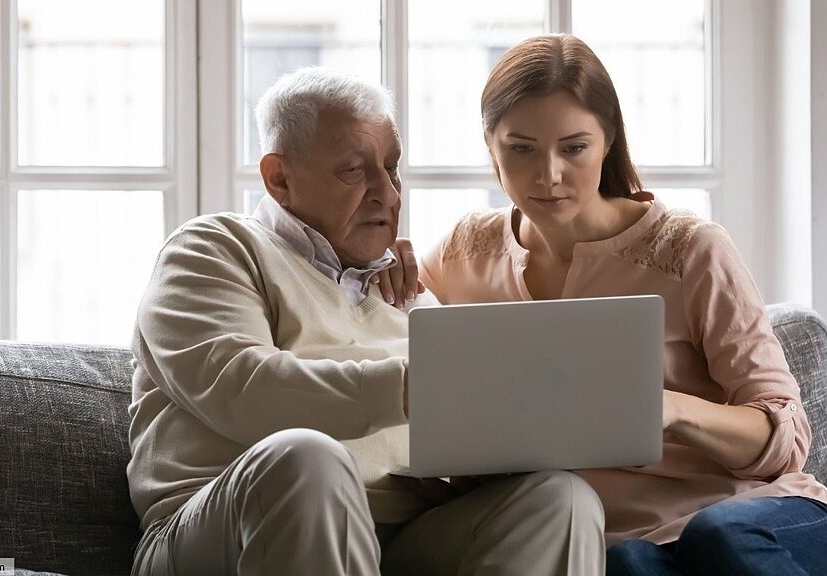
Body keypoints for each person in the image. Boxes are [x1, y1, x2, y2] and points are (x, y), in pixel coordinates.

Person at [126, 66, 606, 576]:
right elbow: (243, 389)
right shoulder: (213, 249)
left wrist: (474, 465)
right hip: (221, 529)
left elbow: (444, 428)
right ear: (279, 178)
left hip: (400, 536)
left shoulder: (404, 288)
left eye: (392, 168)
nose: (389, 194)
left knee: (562, 499)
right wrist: (411, 389)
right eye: (354, 171)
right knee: (305, 460)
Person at [413, 34, 827, 575]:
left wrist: (671, 409)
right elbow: (400, 359)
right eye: (521, 148)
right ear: (489, 144)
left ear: (608, 139)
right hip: (612, 539)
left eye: (574, 147)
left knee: (718, 535)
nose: (548, 174)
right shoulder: (460, 254)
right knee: (629, 563)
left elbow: (786, 439)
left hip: (750, 513)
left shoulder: (689, 250)